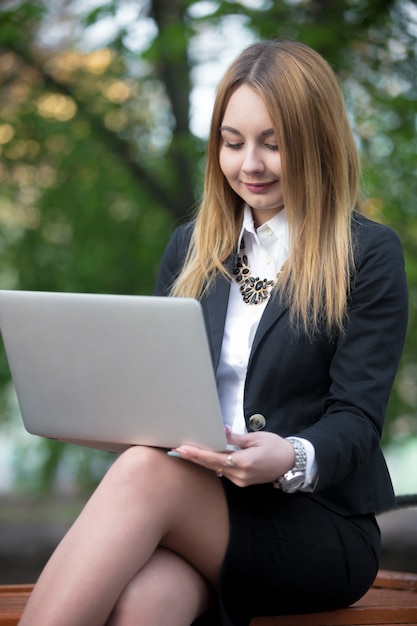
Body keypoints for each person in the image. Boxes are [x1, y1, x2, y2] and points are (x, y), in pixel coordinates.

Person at [18, 39, 408, 626]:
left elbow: (356, 419)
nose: (249, 164)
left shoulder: (368, 255)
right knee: (147, 603)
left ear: (317, 143)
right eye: (232, 142)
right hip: (197, 508)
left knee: (145, 473)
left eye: (273, 144)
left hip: (318, 526)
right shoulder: (191, 248)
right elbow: (154, 392)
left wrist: (289, 456)